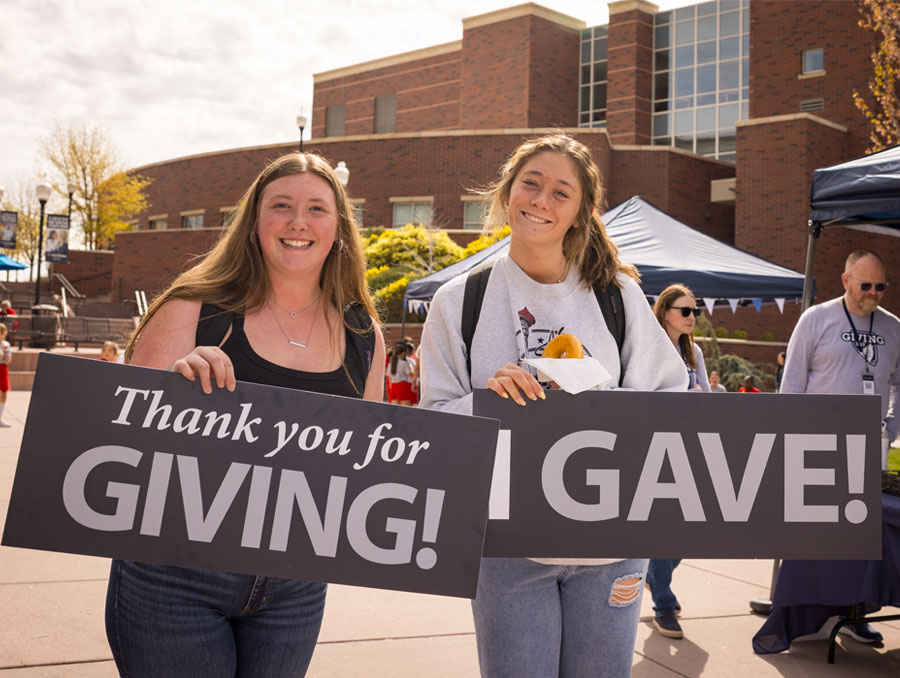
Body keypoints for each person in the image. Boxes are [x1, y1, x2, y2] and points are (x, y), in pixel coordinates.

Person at [104, 152, 385, 678]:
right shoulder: (191, 310)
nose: (298, 222)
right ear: (254, 224)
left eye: (317, 209)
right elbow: (121, 448)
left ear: (338, 229)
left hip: (295, 587)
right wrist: (173, 391)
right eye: (281, 205)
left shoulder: (363, 333)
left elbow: (366, 463)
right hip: (175, 578)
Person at [419, 133, 687, 678]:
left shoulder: (618, 297)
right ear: (506, 192)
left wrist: (593, 400)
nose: (541, 200)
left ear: (580, 212)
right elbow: (430, 430)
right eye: (531, 184)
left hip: (612, 545)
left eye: (561, 192)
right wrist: (487, 400)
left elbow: (669, 406)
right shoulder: (459, 301)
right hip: (506, 549)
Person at [781, 249, 900, 645]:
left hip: (869, 447)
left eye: (880, 286)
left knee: (860, 535)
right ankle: (803, 612)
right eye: (865, 285)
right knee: (814, 532)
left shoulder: (893, 327)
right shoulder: (816, 319)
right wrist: (791, 439)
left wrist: (891, 425)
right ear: (845, 280)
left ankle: (856, 613)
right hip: (818, 446)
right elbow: (792, 384)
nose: (873, 293)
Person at [644, 283, 711, 640]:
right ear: (665, 312)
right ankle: (664, 604)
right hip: (655, 450)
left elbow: (708, 399)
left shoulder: (694, 352)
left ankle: (654, 580)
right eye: (685, 311)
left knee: (689, 530)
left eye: (695, 312)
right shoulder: (649, 350)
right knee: (662, 527)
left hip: (689, 448)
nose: (691, 318)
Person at [387, 340, 416, 405]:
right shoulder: (404, 363)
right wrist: (411, 367)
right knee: (406, 410)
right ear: (403, 353)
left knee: (395, 410)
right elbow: (411, 375)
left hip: (393, 386)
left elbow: (389, 377)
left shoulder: (391, 363)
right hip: (402, 386)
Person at [0, 323, 11, 427]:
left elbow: (8, 361)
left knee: (4, 393)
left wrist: (7, 353)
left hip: (3, 369)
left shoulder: (6, 344)